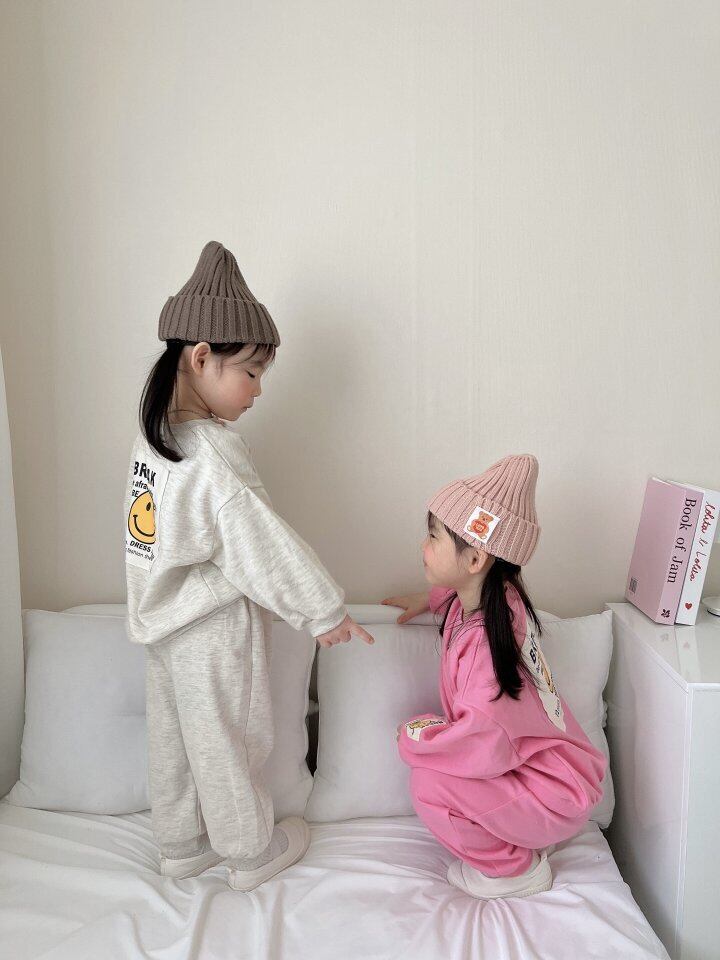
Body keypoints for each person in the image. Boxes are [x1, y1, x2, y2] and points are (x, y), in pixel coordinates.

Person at [124, 241, 373, 890]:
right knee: (226, 739)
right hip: (209, 629)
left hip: (159, 624)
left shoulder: (153, 440)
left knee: (176, 740)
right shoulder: (213, 454)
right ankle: (248, 852)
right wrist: (323, 611)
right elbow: (260, 540)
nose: (259, 390)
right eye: (252, 372)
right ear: (201, 357)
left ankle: (180, 845)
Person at [383, 454, 605, 899]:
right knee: (441, 771)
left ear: (475, 558)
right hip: (556, 780)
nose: (424, 545)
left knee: (429, 784)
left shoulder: (489, 651)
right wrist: (429, 597)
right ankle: (523, 833)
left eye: (433, 536)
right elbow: (459, 588)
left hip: (550, 795)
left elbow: (480, 744)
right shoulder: (499, 599)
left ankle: (514, 871)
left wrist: (414, 738)